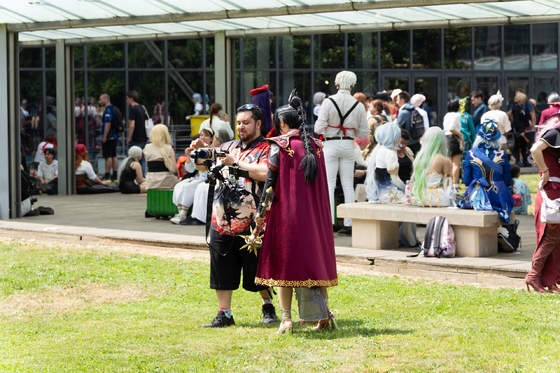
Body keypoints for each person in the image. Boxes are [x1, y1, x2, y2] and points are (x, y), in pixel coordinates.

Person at [254, 92, 338, 334]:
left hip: (287, 217)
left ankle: (287, 319)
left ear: (282, 123)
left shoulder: (280, 146)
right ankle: (325, 315)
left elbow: (270, 185)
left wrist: (261, 213)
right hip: (315, 218)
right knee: (315, 265)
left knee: (285, 269)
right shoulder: (318, 146)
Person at [202, 103, 277, 328]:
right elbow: (205, 167)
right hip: (222, 221)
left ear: (258, 124)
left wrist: (236, 163)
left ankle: (267, 305)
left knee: (258, 270)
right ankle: (225, 314)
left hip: (253, 224)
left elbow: (265, 173)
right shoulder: (228, 146)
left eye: (245, 122)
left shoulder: (267, 148)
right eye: (238, 123)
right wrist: (198, 153)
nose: (241, 127)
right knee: (221, 269)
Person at [314, 70, 369, 236]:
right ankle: (349, 223)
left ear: (337, 84)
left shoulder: (328, 102)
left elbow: (318, 128)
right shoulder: (358, 105)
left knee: (329, 184)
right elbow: (363, 133)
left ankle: (329, 222)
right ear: (352, 85)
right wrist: (350, 129)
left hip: (330, 144)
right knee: (347, 184)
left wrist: (331, 128)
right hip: (348, 144)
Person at [526, 116, 560, 292]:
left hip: (554, 188)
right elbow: (535, 149)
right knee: (551, 236)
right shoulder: (554, 133)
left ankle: (550, 278)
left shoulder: (554, 133)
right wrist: (545, 171)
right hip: (551, 189)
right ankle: (533, 275)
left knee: (556, 237)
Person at [461, 118, 514, 224]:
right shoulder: (502, 154)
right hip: (499, 198)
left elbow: (466, 181)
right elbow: (507, 180)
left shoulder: (470, 154)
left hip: (477, 199)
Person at [170, 128, 215, 225]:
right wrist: (189, 157)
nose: (203, 137)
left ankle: (183, 213)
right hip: (197, 177)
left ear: (212, 138)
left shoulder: (213, 150)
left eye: (206, 135)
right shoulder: (195, 149)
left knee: (188, 187)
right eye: (201, 135)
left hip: (206, 178)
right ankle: (180, 211)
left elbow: (208, 167)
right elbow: (190, 169)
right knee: (179, 185)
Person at [411, 127, 456, 207]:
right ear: (442, 141)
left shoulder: (419, 159)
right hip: (439, 198)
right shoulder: (444, 160)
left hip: (421, 198)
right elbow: (448, 185)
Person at [143, 124, 178, 190]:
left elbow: (148, 164)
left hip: (151, 182)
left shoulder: (147, 148)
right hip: (168, 182)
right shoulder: (169, 148)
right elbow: (174, 168)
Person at [126, 90, 149, 177]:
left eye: (127, 98)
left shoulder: (132, 109)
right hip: (143, 137)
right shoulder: (142, 108)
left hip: (136, 138)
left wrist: (129, 138)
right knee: (142, 158)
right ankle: (142, 176)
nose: (127, 100)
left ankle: (136, 177)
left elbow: (132, 125)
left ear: (131, 98)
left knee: (133, 158)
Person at [99, 93, 120, 182]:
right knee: (113, 155)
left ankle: (107, 175)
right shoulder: (114, 108)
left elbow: (108, 123)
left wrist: (105, 136)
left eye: (101, 100)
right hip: (114, 136)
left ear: (106, 99)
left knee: (107, 156)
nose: (100, 101)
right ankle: (114, 175)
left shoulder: (108, 110)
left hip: (109, 136)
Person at [443, 99, 463, 189]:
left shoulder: (447, 115)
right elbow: (451, 128)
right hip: (453, 138)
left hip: (446, 138)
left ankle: (448, 183)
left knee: (449, 163)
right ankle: (455, 184)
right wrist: (460, 134)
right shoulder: (456, 115)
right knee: (456, 163)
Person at [511, 92, 532, 167]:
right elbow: (517, 120)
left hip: (523, 128)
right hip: (518, 130)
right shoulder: (516, 108)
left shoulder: (521, 107)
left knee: (524, 145)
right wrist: (521, 131)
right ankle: (518, 160)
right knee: (517, 145)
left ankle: (525, 160)